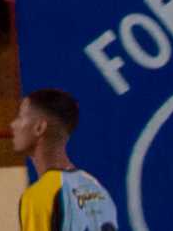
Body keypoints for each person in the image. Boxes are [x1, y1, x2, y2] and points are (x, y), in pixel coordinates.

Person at [12, 88, 118, 231]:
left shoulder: (39, 197)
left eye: (20, 117)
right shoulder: (97, 188)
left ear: (39, 128)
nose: (13, 125)